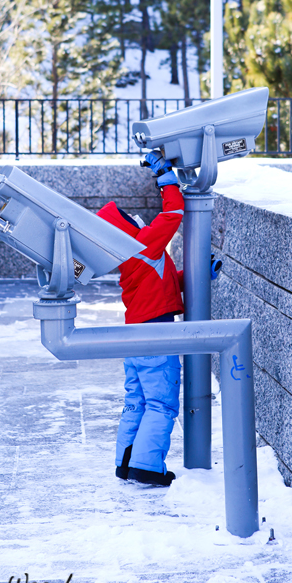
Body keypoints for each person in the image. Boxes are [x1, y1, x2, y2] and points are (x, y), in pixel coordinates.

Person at [96, 149, 186, 487]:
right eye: (132, 218)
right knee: (161, 403)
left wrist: (196, 276)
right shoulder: (142, 245)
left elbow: (163, 281)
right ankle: (147, 466)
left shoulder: (136, 260)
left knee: (137, 400)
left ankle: (125, 461)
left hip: (135, 336)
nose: (138, 218)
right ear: (125, 230)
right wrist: (165, 178)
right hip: (155, 334)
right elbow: (173, 214)